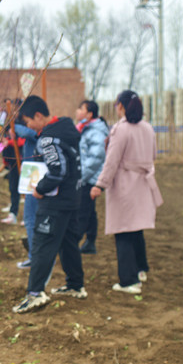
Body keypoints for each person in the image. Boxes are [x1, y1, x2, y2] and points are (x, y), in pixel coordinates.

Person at [12, 95, 86, 314]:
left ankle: (35, 293)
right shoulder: (66, 129)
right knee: (68, 242)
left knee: (43, 245)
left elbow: (58, 171)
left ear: (38, 116)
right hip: (73, 198)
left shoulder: (49, 138)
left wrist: (40, 188)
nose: (28, 126)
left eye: (28, 122)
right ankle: (75, 285)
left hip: (55, 202)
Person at [90, 90, 163, 294]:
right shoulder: (147, 128)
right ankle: (141, 269)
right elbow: (153, 154)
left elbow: (111, 161)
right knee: (136, 228)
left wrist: (100, 184)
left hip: (124, 184)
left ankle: (128, 281)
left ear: (120, 106)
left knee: (123, 230)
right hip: (143, 183)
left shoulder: (121, 130)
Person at [75, 100, 109, 254]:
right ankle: (90, 241)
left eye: (80, 108)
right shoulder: (85, 128)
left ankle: (74, 241)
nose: (77, 111)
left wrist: (81, 176)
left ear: (89, 114)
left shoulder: (95, 131)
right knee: (89, 210)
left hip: (89, 178)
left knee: (82, 211)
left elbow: (96, 157)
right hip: (87, 176)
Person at [13, 102, 40, 269]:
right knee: (31, 218)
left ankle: (34, 256)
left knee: (30, 218)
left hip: (34, 175)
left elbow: (29, 133)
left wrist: (13, 125)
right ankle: (35, 255)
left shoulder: (35, 131)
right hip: (31, 173)